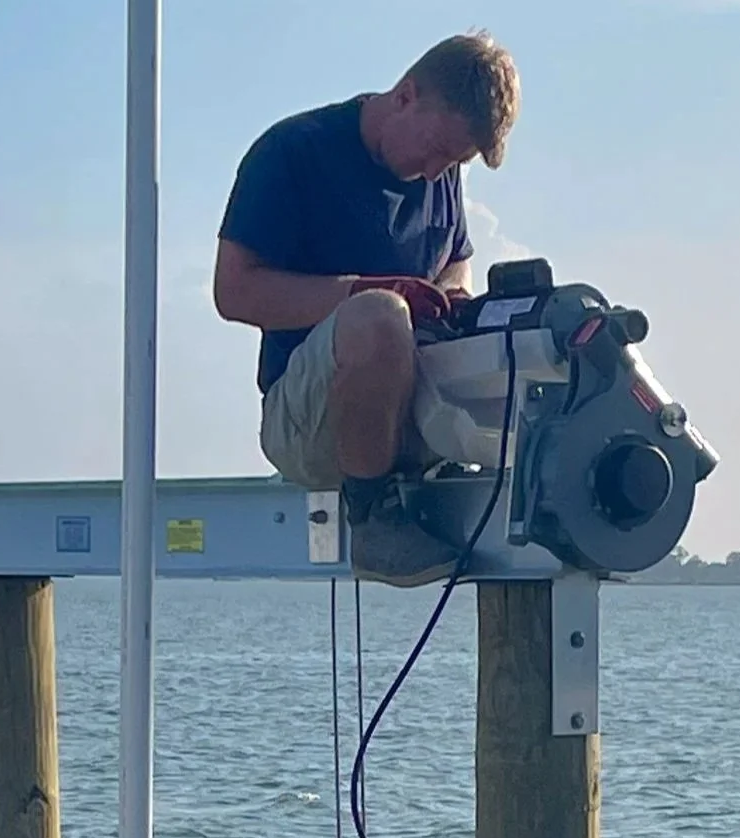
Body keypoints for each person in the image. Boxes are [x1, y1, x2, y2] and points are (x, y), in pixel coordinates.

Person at [213, 32, 519, 583]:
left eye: (453, 162)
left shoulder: (440, 173)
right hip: (310, 423)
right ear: (405, 96)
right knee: (378, 316)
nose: (436, 172)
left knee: (527, 319)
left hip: (413, 414)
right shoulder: (292, 152)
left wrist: (452, 299)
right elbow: (232, 293)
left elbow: (455, 263)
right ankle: (374, 517)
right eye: (435, 151)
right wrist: (369, 293)